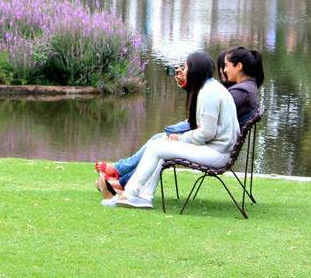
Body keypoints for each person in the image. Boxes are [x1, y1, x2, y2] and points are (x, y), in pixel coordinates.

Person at [102, 51, 239, 209]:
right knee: (160, 144)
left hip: (217, 153)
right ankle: (143, 197)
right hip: (217, 150)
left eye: (186, 68)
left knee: (157, 146)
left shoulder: (209, 93)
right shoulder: (210, 88)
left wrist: (180, 139)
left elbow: (206, 133)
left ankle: (129, 195)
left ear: (194, 70)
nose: (184, 70)